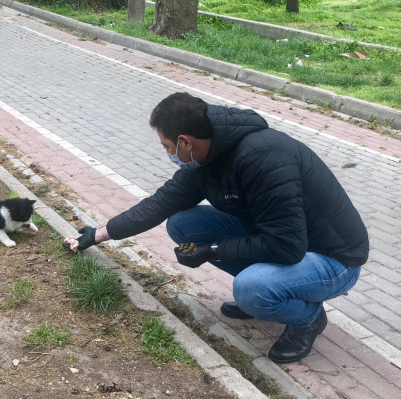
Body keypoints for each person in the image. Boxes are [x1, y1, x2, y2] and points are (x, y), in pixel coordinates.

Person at [65, 92, 369, 364]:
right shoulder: (207, 158)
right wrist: (98, 234)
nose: (167, 153)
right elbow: (158, 205)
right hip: (281, 237)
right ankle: (271, 291)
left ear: (185, 142)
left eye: (167, 146)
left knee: (252, 289)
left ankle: (308, 317)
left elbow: (287, 247)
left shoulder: (263, 158)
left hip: (333, 258)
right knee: (183, 223)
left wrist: (213, 250)